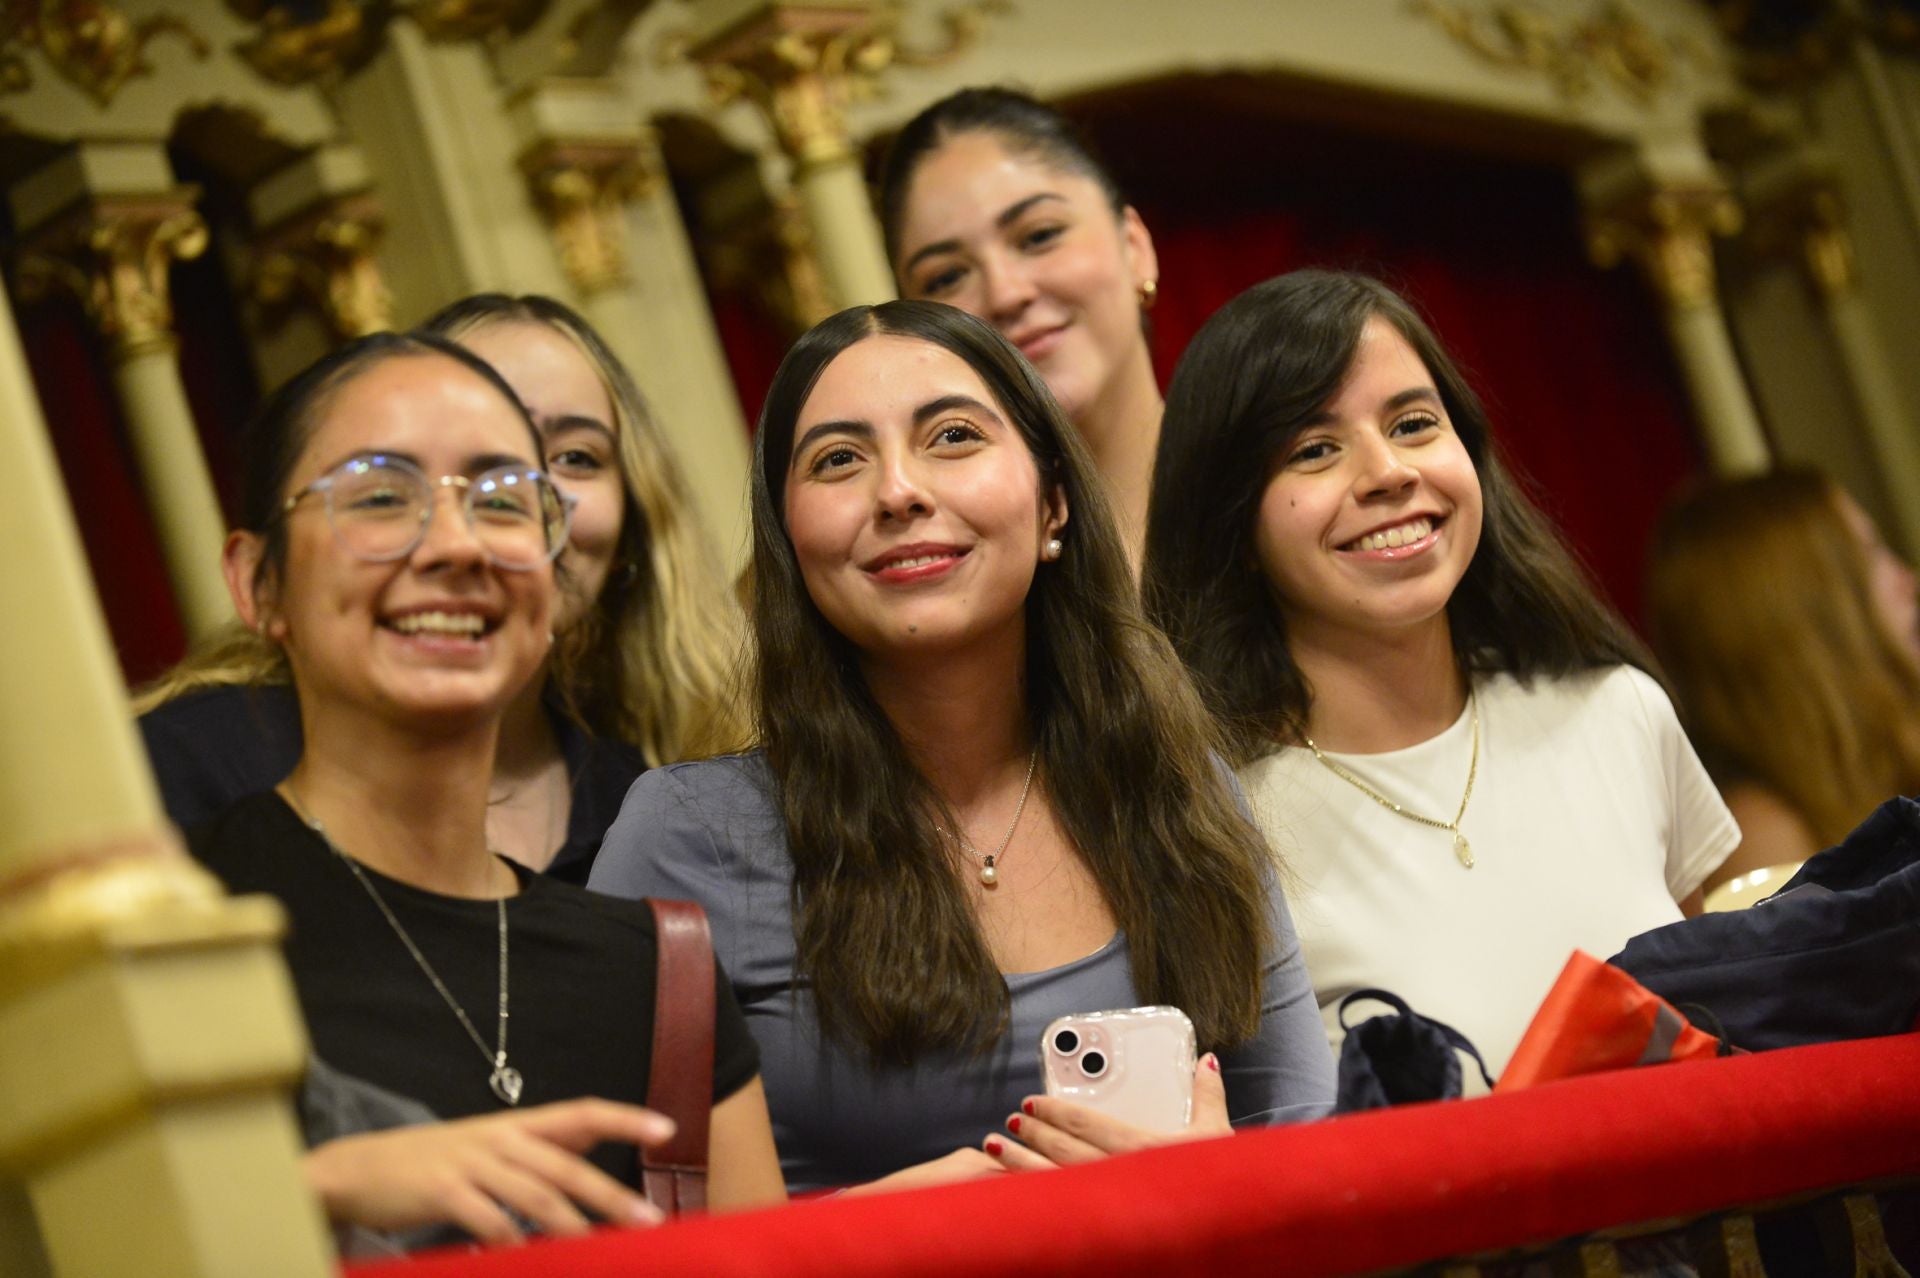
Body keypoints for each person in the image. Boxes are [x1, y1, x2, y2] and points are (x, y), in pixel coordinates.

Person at [589, 300, 1333, 1192]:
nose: (899, 490)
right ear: (790, 542)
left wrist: (1214, 1187)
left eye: (951, 437)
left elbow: (1306, 1153)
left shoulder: (1182, 788)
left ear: (1054, 502)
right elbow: (608, 1227)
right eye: (838, 460)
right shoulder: (687, 836)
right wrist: (921, 1223)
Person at [188, 329, 784, 1252]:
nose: (458, 544)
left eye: (505, 501)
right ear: (258, 582)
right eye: (382, 496)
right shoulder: (184, 939)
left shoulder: (657, 969)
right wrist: (311, 1188)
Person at [1142, 270, 1738, 1079]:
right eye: (1315, 449)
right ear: (1235, 524)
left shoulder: (1617, 711)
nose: (1388, 471)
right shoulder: (1211, 824)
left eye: (1415, 423)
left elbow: (1723, 1035)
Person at [136, 295, 743, 881]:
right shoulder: (188, 769)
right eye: (393, 487)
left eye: (574, 458)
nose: (468, 534)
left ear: (635, 525)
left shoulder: (671, 810)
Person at [879, 87, 1162, 567]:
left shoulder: (1280, 498)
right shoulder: (929, 572)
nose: (1005, 294)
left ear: (1134, 247)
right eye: (947, 276)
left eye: (1039, 236)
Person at [1648, 468, 1920, 885]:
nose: (1908, 581)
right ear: (1808, 613)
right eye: (1867, 554)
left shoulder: (1893, 757)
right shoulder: (1767, 845)